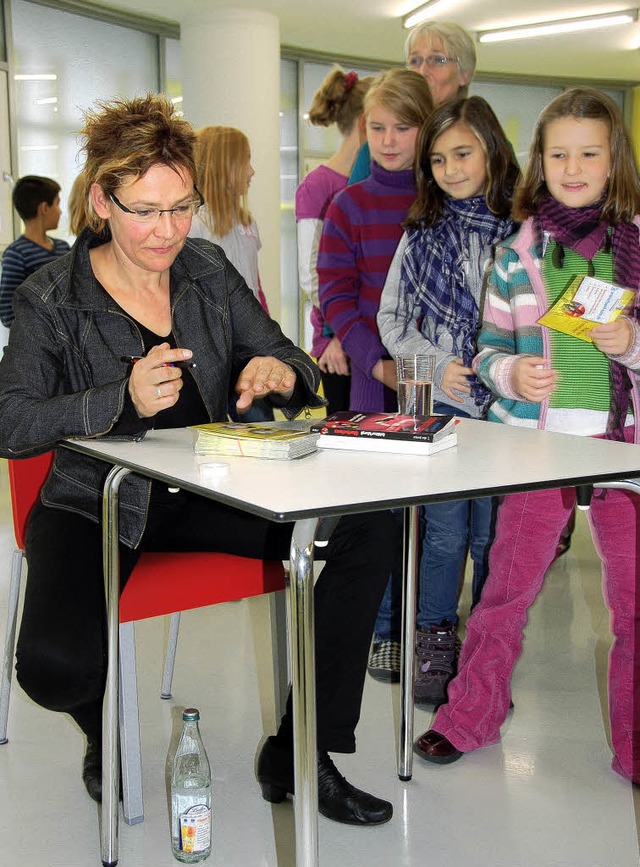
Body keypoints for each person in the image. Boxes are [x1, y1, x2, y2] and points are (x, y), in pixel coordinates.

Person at [0, 94, 398, 826]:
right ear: (100, 201)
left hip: (210, 489)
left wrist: (278, 374)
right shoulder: (48, 295)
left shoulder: (207, 267)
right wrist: (118, 396)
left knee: (366, 522)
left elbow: (291, 356)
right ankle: (101, 734)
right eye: (145, 211)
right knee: (56, 669)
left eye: (182, 207)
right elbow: (13, 418)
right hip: (95, 499)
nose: (167, 232)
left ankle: (301, 750)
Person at [414, 88, 640, 785]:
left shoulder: (635, 245)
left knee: (634, 603)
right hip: (538, 452)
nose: (573, 166)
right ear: (539, 161)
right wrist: (511, 372)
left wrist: (631, 342)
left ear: (614, 161)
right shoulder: (517, 255)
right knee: (503, 592)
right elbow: (485, 350)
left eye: (590, 153)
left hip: (623, 450)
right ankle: (469, 716)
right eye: (559, 152)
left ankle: (635, 744)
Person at [376, 97, 520, 704]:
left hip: (507, 413)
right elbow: (391, 319)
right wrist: (437, 368)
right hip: (440, 407)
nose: (451, 169)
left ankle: (489, 650)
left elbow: (534, 319)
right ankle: (434, 637)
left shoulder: (524, 231)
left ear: (492, 149)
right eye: (437, 159)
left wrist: (500, 368)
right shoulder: (421, 234)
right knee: (440, 533)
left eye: (462, 153)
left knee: (493, 535)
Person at [318, 68, 434, 415]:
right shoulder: (347, 206)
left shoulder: (443, 203)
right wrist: (377, 365)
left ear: (426, 128)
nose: (388, 142)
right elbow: (335, 298)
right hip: (373, 374)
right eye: (378, 128)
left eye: (402, 128)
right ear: (364, 126)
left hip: (440, 372)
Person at [295, 67, 372, 415]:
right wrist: (339, 331)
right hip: (336, 345)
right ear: (366, 121)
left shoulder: (379, 182)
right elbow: (312, 275)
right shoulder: (318, 186)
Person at [189, 125, 272, 422]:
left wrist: (266, 337)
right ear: (225, 167)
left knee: (261, 424)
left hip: (249, 347)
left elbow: (256, 286)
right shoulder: (196, 225)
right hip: (214, 350)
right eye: (245, 161)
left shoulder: (247, 223)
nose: (251, 172)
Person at [348, 20, 476, 184]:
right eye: (415, 61)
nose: (422, 71)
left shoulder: (484, 140)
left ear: (465, 73)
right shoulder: (382, 146)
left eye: (437, 60)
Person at [0, 175, 70, 327]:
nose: (60, 212)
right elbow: (7, 313)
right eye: (57, 204)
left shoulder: (64, 248)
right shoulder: (16, 255)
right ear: (44, 208)